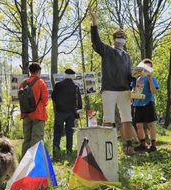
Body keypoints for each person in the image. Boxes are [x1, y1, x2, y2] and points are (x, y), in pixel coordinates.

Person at [90, 8, 135, 155]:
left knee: (127, 118)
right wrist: (94, 22)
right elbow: (96, 42)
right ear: (114, 39)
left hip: (124, 90)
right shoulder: (107, 50)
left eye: (122, 36)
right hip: (109, 89)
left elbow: (128, 75)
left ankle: (129, 145)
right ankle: (106, 148)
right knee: (108, 118)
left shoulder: (127, 56)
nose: (120, 38)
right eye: (118, 36)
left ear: (125, 40)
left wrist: (135, 78)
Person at [18, 63, 48, 157]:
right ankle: (34, 163)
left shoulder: (22, 83)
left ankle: (24, 162)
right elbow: (45, 100)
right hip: (38, 114)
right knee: (37, 139)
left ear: (30, 71)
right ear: (39, 71)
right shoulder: (41, 82)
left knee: (26, 139)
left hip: (26, 114)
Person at [52, 69, 82, 157]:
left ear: (65, 75)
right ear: (73, 76)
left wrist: (58, 105)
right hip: (71, 113)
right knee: (70, 133)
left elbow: (53, 97)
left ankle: (56, 152)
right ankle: (69, 151)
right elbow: (79, 100)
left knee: (57, 132)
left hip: (60, 112)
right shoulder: (75, 87)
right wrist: (78, 110)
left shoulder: (58, 85)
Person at [131, 59, 159, 152]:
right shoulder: (137, 79)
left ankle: (153, 145)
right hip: (138, 104)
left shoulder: (153, 78)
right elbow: (133, 90)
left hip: (148, 102)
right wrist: (132, 93)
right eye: (145, 67)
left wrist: (150, 79)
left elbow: (154, 91)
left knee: (151, 124)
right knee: (139, 125)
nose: (146, 69)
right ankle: (142, 145)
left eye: (149, 67)